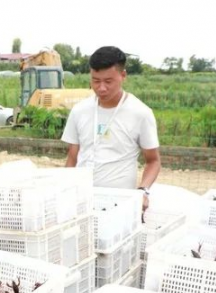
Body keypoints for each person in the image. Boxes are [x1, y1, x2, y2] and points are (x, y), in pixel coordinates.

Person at [61, 46, 161, 208]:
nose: (101, 88)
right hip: (81, 200)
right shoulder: (79, 110)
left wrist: (143, 191)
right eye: (95, 80)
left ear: (123, 76)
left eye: (108, 81)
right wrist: (64, 189)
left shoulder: (140, 113)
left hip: (119, 203)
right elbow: (73, 157)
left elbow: (153, 161)